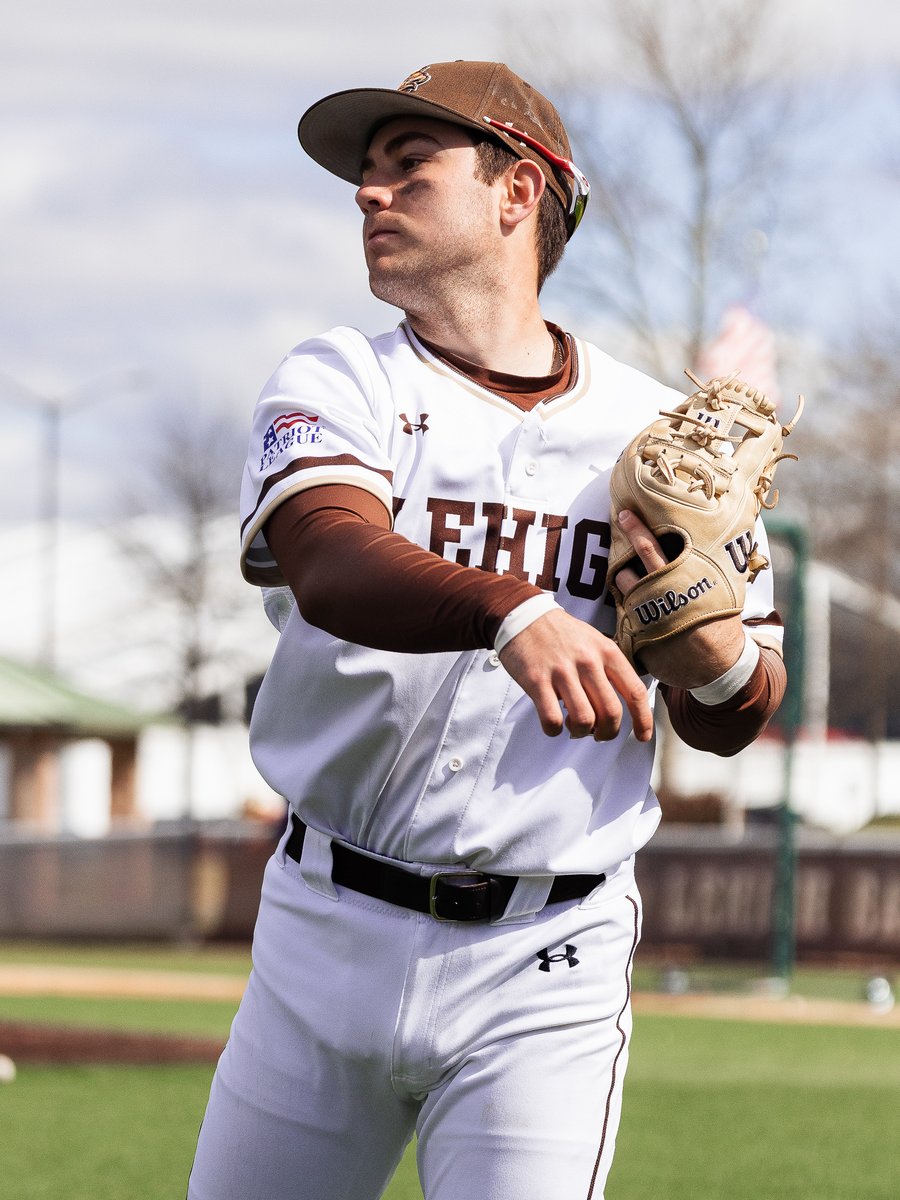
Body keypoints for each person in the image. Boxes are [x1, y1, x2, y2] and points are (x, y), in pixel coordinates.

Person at [188, 61, 786, 1200]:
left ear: (518, 193)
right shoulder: (339, 376)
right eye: (364, 176)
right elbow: (328, 559)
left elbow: (740, 709)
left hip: (543, 963)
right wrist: (510, 606)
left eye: (408, 168)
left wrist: (709, 650)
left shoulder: (660, 439)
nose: (370, 195)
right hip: (324, 933)